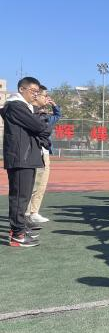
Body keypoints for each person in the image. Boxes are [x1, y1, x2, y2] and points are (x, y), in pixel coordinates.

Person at [1, 77, 51, 247]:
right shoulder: (16, 106)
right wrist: (42, 127)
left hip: (26, 157)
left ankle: (19, 228)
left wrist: (41, 127)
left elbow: (39, 127)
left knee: (23, 196)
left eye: (37, 92)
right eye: (33, 91)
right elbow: (39, 127)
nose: (36, 95)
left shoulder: (25, 107)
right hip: (21, 158)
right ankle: (17, 235)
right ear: (22, 89)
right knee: (19, 197)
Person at [26, 85, 62, 224]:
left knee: (41, 185)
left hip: (44, 153)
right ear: (36, 96)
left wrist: (55, 105)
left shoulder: (46, 116)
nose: (47, 98)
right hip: (32, 152)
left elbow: (57, 116)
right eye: (45, 96)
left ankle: (34, 212)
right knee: (31, 185)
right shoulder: (28, 112)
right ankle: (26, 213)